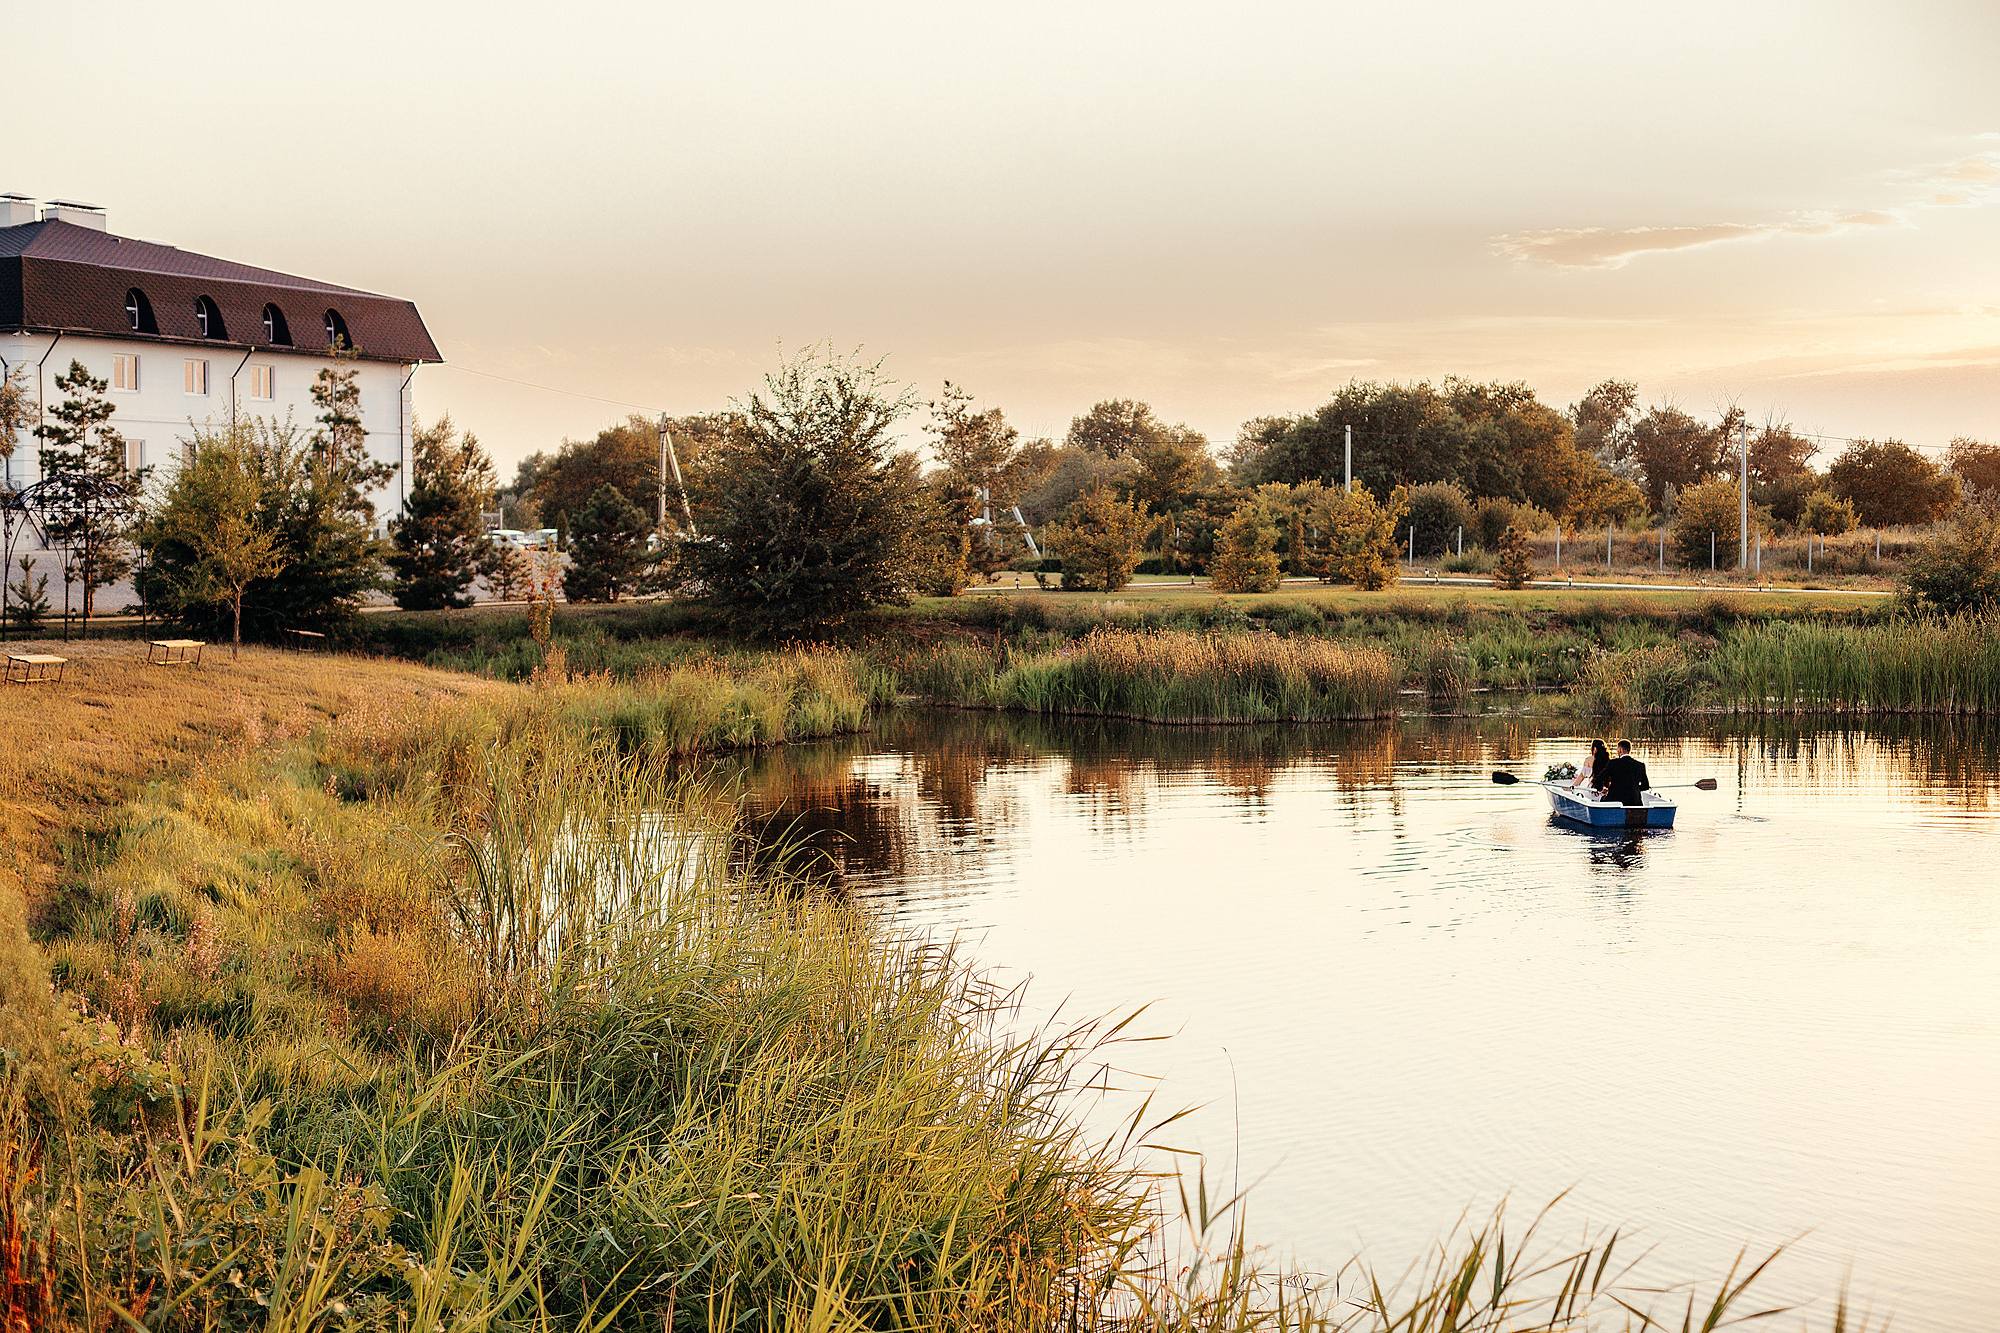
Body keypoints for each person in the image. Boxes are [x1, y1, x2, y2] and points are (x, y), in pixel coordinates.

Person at [1594, 739, 1651, 807]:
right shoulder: (1640, 765)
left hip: (1614, 800)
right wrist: (1634, 788)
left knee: (1602, 799)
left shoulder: (1613, 763)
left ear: (1620, 750)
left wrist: (1601, 789)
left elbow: (1598, 780)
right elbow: (1646, 786)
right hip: (1634, 802)